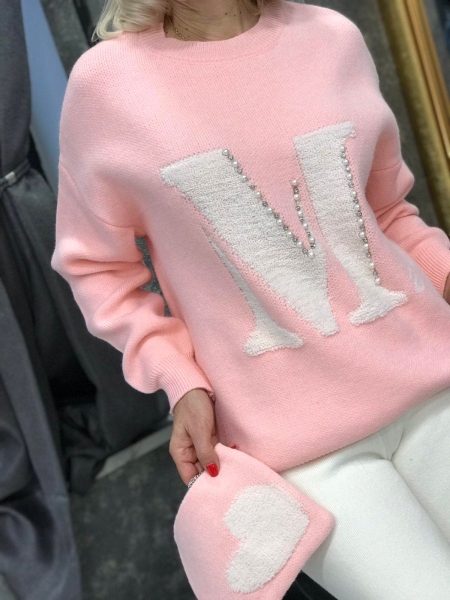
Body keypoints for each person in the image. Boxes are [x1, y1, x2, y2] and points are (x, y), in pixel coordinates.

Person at [51, 0, 450, 597]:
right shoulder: (106, 87)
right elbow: (97, 269)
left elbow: (387, 212)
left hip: (430, 379)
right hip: (293, 441)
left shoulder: (332, 38)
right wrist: (179, 379)